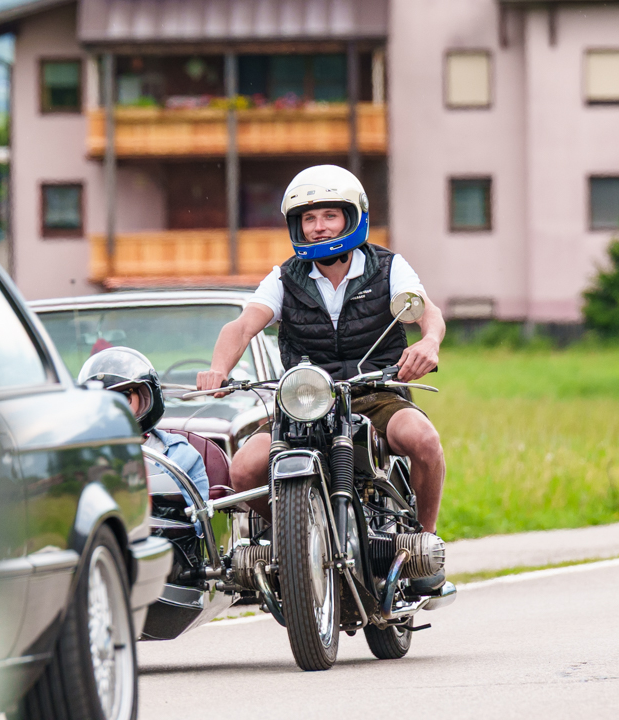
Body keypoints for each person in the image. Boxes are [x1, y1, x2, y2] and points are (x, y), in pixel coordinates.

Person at [196, 164, 448, 594]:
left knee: (423, 440)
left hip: (376, 391)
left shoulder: (387, 267)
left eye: (330, 215)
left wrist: (429, 343)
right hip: (306, 399)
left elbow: (428, 312)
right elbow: (241, 326)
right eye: (309, 218)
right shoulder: (285, 278)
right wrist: (219, 367)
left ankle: (424, 546)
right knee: (244, 469)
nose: (318, 227)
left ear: (353, 217)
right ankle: (297, 540)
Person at [79, 347, 209, 502]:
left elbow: (197, 515)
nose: (113, 408)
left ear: (144, 397)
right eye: (103, 401)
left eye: (122, 397)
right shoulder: (80, 456)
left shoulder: (180, 455)